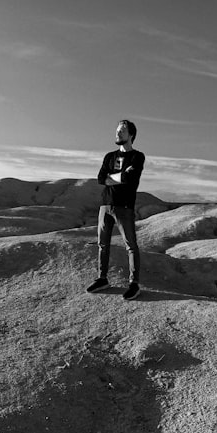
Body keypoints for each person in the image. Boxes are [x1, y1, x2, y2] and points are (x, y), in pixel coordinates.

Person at [86, 119, 145, 300]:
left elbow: (130, 177)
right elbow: (101, 178)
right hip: (106, 204)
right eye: (117, 130)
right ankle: (102, 279)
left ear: (131, 135)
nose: (118, 133)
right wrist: (119, 176)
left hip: (124, 206)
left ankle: (134, 284)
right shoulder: (109, 156)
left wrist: (113, 178)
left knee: (131, 246)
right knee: (102, 244)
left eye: (122, 131)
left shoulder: (138, 156)